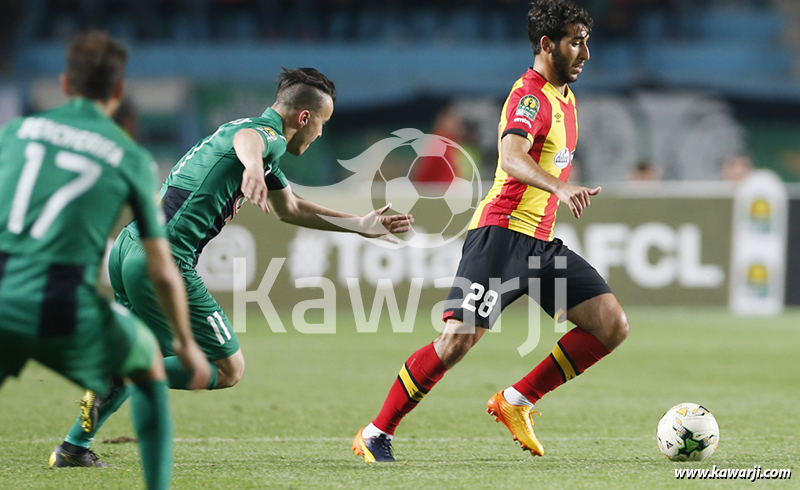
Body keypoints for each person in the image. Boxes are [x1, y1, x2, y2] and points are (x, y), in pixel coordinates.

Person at [54, 66, 413, 464]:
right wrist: (254, 167)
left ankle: (73, 447)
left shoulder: (252, 138)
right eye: (323, 124)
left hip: (129, 248)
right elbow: (250, 142)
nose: (321, 134)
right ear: (305, 117)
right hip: (164, 259)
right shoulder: (266, 137)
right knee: (227, 369)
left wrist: (359, 224)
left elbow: (289, 208)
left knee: (148, 350)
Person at [353, 0, 630, 462]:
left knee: (610, 326)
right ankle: (377, 432)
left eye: (587, 42)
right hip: (501, 236)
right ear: (546, 44)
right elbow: (511, 157)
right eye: (576, 43)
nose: (585, 53)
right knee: (456, 342)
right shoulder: (530, 96)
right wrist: (560, 187)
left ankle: (516, 400)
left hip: (539, 243)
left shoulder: (567, 99)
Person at [0, 31, 209, 488]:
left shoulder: (14, 132)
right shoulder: (129, 156)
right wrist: (187, 345)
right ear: (117, 92)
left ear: (64, 83)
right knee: (148, 366)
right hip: (58, 302)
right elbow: (161, 266)